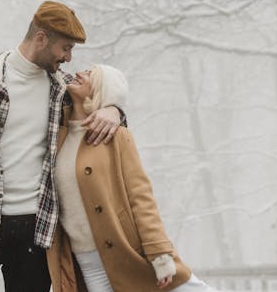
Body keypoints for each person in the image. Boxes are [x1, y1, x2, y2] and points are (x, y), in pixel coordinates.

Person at [0, 1, 127, 292]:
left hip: (36, 231)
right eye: (65, 48)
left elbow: (109, 131)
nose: (69, 58)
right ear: (41, 38)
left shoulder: (65, 91)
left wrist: (115, 109)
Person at [48, 65, 216, 292]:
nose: (79, 73)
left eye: (89, 75)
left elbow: (141, 196)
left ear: (98, 90)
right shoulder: (56, 134)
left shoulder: (116, 136)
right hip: (85, 259)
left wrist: (159, 253)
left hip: (125, 250)